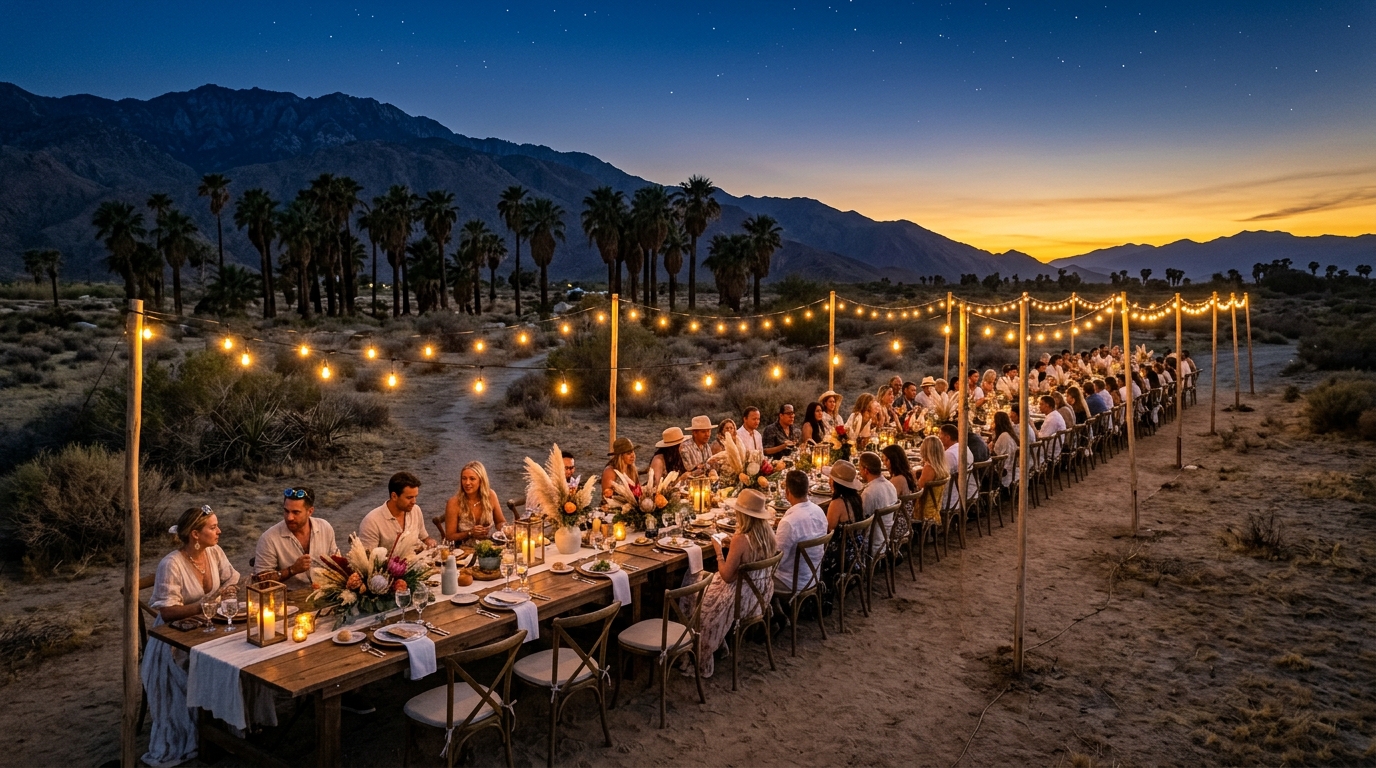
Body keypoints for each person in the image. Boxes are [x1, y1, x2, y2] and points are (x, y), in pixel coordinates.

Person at [142, 505, 243, 768]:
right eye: (213, 527)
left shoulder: (214, 551)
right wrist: (204, 606)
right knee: (211, 665)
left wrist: (229, 592)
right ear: (195, 534)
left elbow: (230, 579)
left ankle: (228, 727)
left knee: (241, 656)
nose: (219, 531)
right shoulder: (171, 564)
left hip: (212, 627)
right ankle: (203, 735)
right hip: (174, 640)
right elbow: (166, 613)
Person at [682, 489, 779, 678]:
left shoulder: (741, 539)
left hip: (739, 600)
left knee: (690, 581)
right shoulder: (769, 535)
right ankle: (718, 645)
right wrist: (732, 547)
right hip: (759, 596)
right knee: (699, 580)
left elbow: (726, 575)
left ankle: (695, 651)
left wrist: (719, 551)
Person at [253, 487, 339, 588]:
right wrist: (292, 570)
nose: (289, 517)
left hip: (323, 592)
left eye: (296, 512)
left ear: (310, 511)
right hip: (288, 598)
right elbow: (261, 582)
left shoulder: (325, 528)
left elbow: (336, 563)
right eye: (286, 511)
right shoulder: (269, 538)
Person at [772, 470, 828, 593]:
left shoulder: (789, 522)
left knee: (748, 578)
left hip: (790, 582)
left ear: (787, 492)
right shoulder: (819, 511)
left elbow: (777, 561)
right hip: (813, 577)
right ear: (807, 490)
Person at [819, 461, 867, 595]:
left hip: (840, 557)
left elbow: (828, 531)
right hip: (856, 553)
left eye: (831, 479)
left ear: (836, 483)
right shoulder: (856, 499)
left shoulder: (837, 503)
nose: (829, 481)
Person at [359, 471, 435, 552]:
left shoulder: (416, 510)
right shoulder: (372, 521)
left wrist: (429, 541)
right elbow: (368, 560)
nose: (414, 501)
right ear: (394, 496)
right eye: (409, 498)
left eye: (415, 497)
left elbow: (424, 537)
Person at [443, 462, 506, 544]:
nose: (467, 483)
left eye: (472, 479)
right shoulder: (454, 503)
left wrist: (506, 528)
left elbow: (500, 522)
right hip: (463, 550)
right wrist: (470, 533)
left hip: (490, 545)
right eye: (464, 478)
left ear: (481, 480)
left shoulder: (491, 495)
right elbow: (449, 537)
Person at [857, 451, 897, 555]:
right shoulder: (890, 485)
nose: (859, 472)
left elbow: (862, 521)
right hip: (885, 539)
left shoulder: (869, 493)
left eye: (860, 469)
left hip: (872, 543)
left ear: (866, 470)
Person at [525, 450, 578, 519]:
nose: (569, 471)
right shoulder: (545, 484)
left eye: (571, 468)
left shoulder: (573, 482)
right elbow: (530, 510)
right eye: (566, 468)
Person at [937, 424, 977, 512]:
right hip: (969, 488)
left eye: (940, 434)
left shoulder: (949, 454)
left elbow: (940, 475)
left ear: (947, 437)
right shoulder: (964, 447)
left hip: (953, 496)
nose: (939, 437)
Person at [913, 436, 949, 525]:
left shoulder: (929, 468)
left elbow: (918, 490)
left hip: (924, 510)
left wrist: (913, 475)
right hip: (935, 507)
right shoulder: (941, 467)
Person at [991, 411, 1020, 488]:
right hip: (1012, 469)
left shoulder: (1003, 437)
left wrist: (990, 449)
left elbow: (995, 457)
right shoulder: (1010, 434)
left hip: (1004, 471)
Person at [1037, 395, 1067, 460]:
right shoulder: (1054, 414)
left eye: (1041, 404)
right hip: (1055, 447)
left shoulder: (1051, 418)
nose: (1039, 406)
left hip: (1051, 451)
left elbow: (1041, 437)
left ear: (1047, 405)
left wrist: (1032, 425)